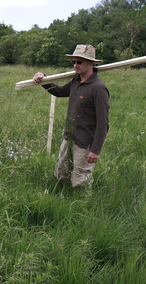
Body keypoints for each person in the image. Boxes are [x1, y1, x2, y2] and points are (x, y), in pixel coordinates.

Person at [33, 44, 110, 191]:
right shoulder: (75, 81)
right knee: (61, 174)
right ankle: (63, 198)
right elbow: (59, 91)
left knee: (81, 181)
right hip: (69, 137)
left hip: (85, 142)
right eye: (74, 62)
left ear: (91, 63)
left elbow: (103, 123)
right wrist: (43, 79)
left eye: (79, 62)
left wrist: (95, 150)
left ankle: (82, 208)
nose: (75, 65)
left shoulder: (98, 88)